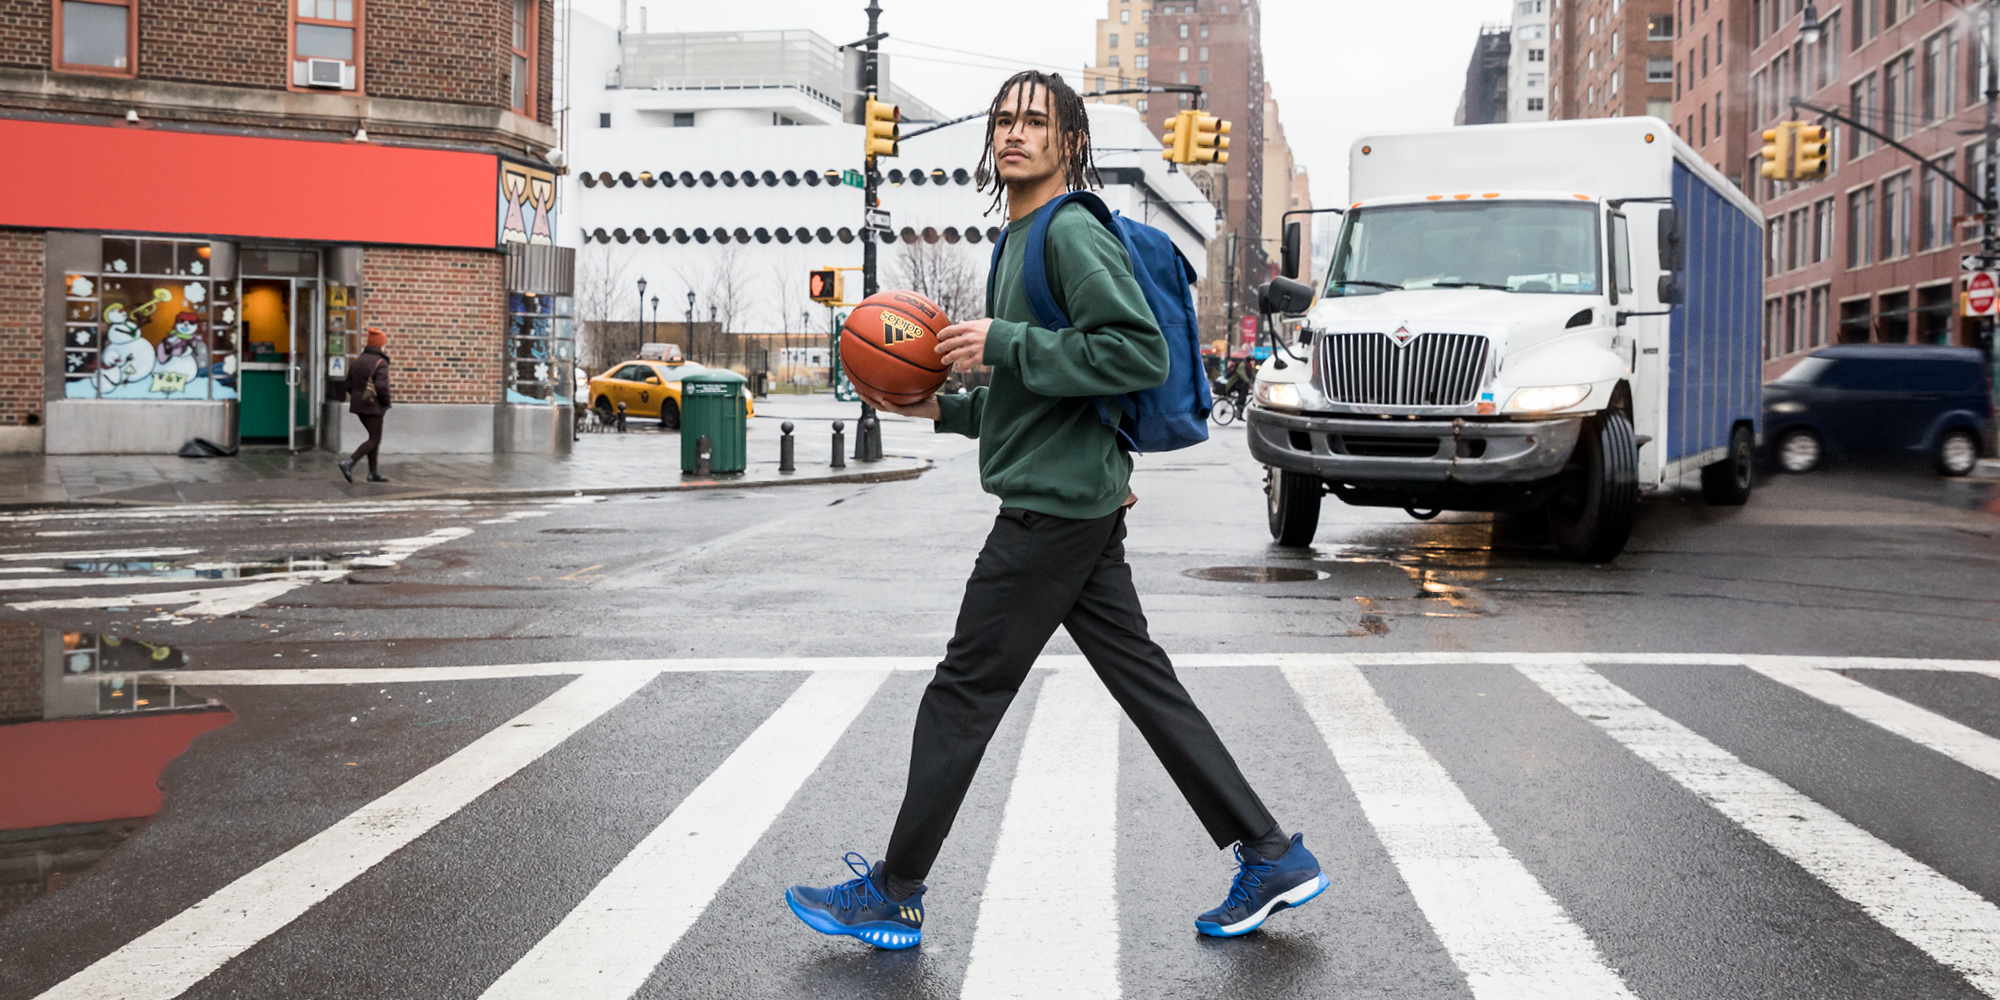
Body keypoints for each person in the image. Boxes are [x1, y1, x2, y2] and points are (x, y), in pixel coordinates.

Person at [785, 71, 1324, 950]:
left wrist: (1003, 341)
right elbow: (1037, 397)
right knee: (1146, 685)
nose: (1014, 133)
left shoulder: (1069, 229)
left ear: (1070, 141)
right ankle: (1270, 854)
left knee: (962, 693)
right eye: (1003, 120)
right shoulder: (1016, 239)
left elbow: (1134, 352)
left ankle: (895, 891)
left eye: (1035, 121)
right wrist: (941, 408)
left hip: (1050, 514)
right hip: (1074, 501)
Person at [338, 328, 392, 484]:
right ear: (380, 345)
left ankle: (372, 473)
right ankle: (349, 463)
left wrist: (357, 396)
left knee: (374, 438)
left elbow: (348, 384)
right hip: (373, 406)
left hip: (359, 406)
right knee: (374, 439)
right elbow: (382, 386)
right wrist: (386, 403)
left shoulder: (358, 361)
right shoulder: (380, 362)